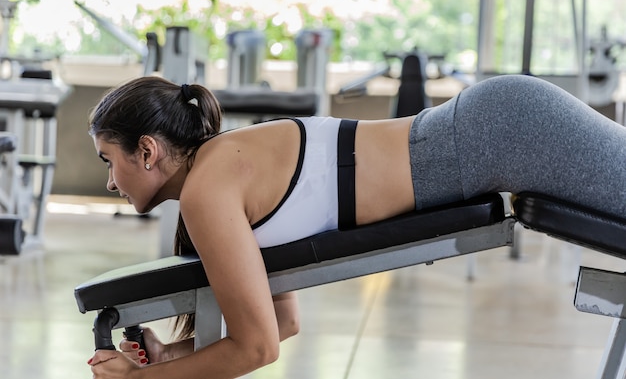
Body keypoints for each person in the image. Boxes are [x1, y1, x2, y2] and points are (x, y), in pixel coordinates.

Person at [87, 73, 626, 378]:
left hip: (503, 133)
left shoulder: (209, 189)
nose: (111, 181)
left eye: (109, 160)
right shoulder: (218, 172)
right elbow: (279, 326)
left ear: (149, 151)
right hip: (497, 129)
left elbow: (256, 349)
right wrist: (170, 358)